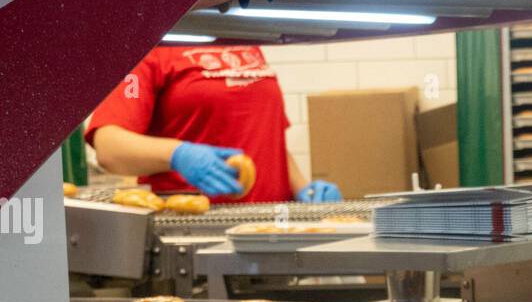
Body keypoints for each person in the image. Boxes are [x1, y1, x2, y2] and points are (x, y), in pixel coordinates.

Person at [86, 43, 341, 203]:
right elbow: (109, 147)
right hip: (193, 228)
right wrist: (178, 154)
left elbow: (268, 137)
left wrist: (304, 190)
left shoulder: (243, 42)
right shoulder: (149, 48)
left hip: (269, 226)